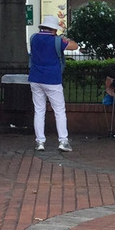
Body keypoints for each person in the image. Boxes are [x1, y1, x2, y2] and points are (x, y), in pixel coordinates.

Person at [29, 14, 77, 152]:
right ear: (54, 30)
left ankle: (40, 142)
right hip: (53, 79)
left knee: (39, 110)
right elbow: (74, 46)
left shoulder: (33, 38)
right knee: (59, 111)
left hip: (35, 78)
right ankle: (63, 141)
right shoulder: (57, 41)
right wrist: (66, 39)